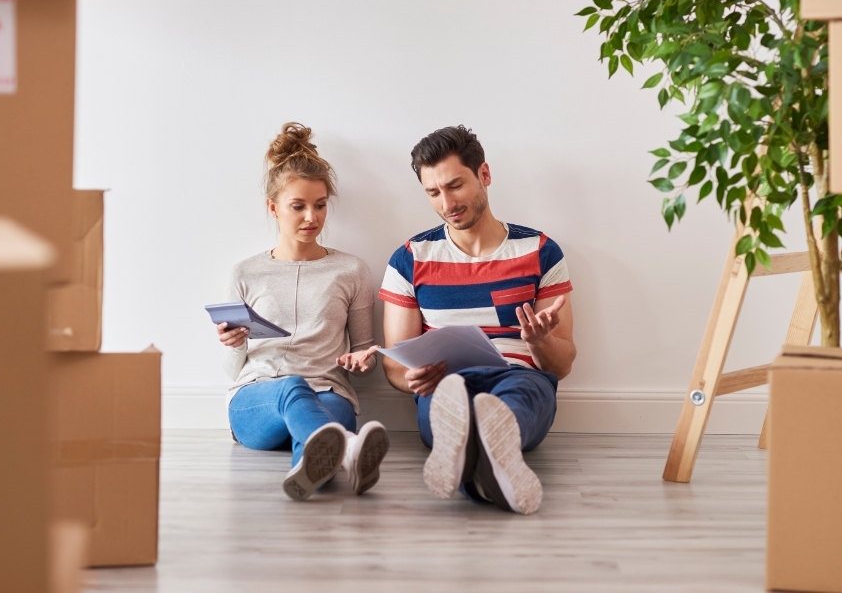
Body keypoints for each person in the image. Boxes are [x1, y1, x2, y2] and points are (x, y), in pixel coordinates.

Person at [379, 125, 576, 515]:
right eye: (433, 193)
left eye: (455, 186)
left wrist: (539, 342)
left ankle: (471, 454)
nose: (446, 202)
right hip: (445, 383)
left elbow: (563, 364)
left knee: (517, 396)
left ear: (484, 175)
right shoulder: (409, 258)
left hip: (519, 374)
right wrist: (411, 378)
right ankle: (488, 474)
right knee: (448, 402)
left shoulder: (539, 251)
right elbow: (394, 365)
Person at [217, 122, 389, 501]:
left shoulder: (352, 271)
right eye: (298, 206)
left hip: (328, 392)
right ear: (273, 207)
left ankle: (308, 469)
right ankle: (349, 448)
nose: (311, 217)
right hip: (258, 399)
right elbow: (233, 370)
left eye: (320, 205)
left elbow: (365, 351)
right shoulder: (244, 273)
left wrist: (362, 361)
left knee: (319, 434)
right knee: (292, 387)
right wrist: (233, 344)